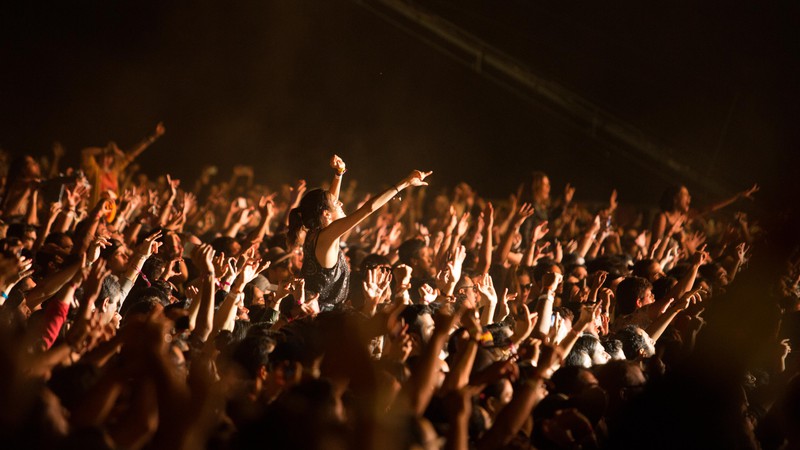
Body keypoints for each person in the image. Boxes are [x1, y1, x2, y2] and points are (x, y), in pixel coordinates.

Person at [287, 155, 431, 309]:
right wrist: (405, 183)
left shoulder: (315, 232)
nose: (341, 202)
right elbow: (369, 208)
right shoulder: (327, 236)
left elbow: (329, 203)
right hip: (321, 317)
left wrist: (339, 174)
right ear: (326, 214)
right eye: (337, 203)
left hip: (317, 311)